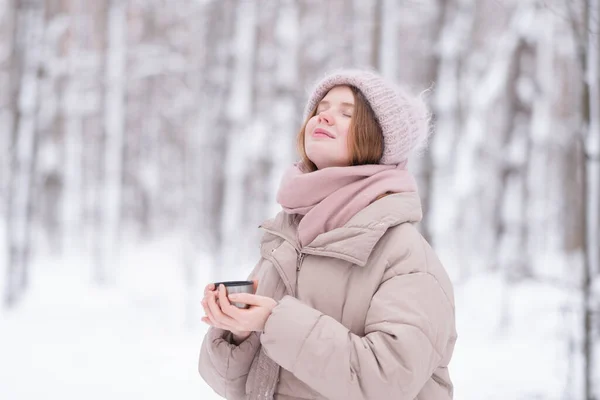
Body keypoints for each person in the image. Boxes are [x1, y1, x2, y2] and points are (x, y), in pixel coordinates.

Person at [198, 69, 457, 400]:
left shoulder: (405, 256)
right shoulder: (288, 239)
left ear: (379, 140)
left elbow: (388, 380)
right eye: (320, 109)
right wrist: (240, 331)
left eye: (347, 113)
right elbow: (232, 387)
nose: (325, 117)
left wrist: (275, 322)